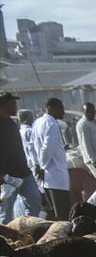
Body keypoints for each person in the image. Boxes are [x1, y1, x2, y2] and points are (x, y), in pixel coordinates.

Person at [0, 92, 45, 222]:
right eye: (12, 103)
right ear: (3, 105)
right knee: (6, 214)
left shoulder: (11, 123)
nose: (15, 105)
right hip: (7, 178)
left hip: (24, 172)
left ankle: (27, 231)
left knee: (35, 203)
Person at [31, 98, 70, 220]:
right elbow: (47, 149)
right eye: (60, 108)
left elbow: (33, 146)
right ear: (49, 108)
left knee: (53, 212)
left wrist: (36, 165)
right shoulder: (51, 124)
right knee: (62, 214)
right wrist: (41, 166)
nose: (63, 111)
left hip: (47, 176)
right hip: (55, 174)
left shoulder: (37, 122)